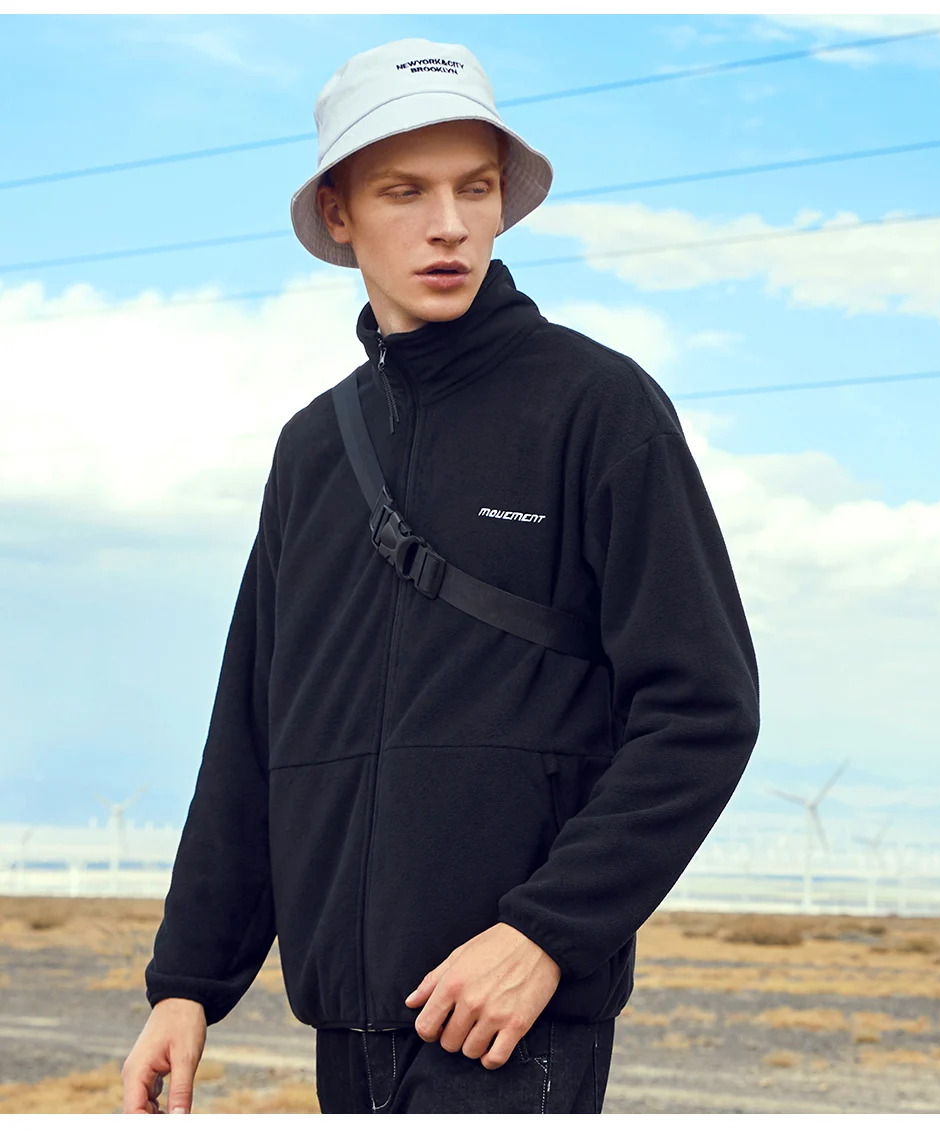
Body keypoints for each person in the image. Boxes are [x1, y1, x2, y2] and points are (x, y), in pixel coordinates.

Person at [121, 37, 760, 1115]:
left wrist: (543, 934)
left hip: (511, 1021)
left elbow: (703, 709)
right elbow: (249, 735)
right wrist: (187, 982)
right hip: (343, 1025)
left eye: (475, 188)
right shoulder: (312, 449)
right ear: (339, 213)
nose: (450, 223)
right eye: (404, 191)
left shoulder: (598, 408)